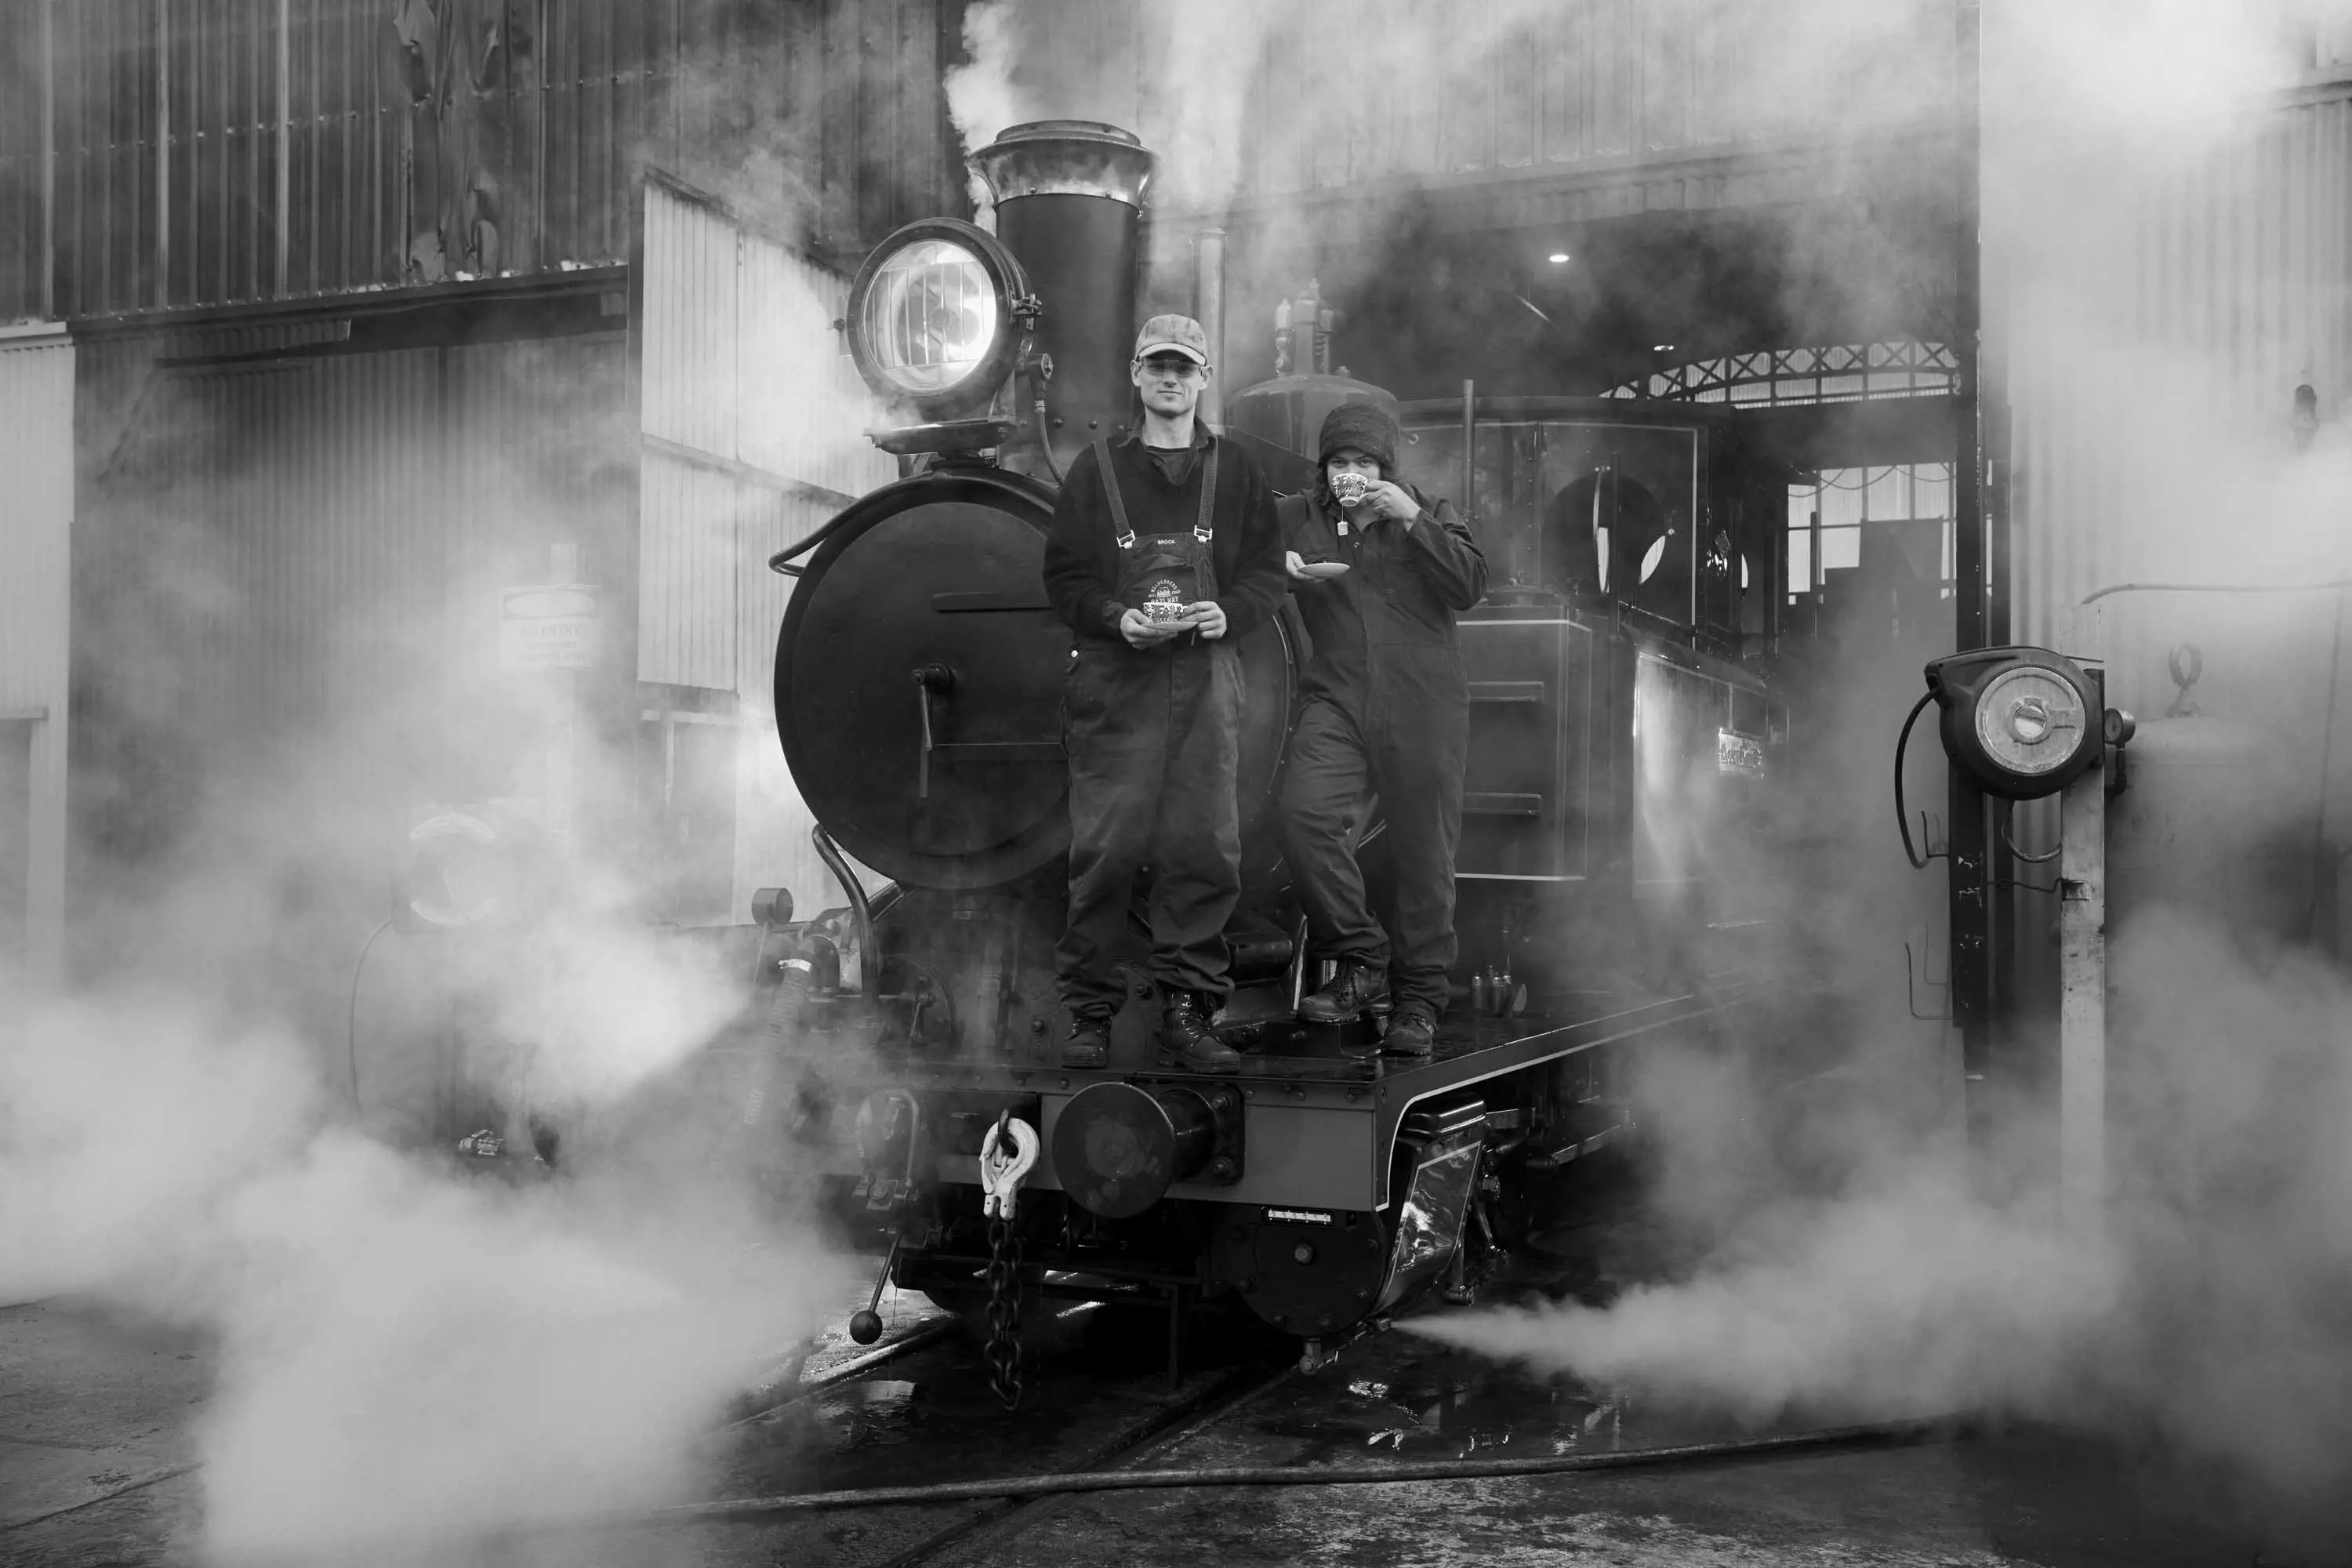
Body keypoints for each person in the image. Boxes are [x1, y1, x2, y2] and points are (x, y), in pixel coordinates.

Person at [1041, 314, 1287, 1070]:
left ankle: (1190, 1011)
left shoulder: (1238, 472)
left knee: (1204, 849)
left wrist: (1230, 612)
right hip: (1119, 687)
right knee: (1105, 853)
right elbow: (1064, 579)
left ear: (1204, 378)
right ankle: (1088, 1013)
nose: (1171, 379)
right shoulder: (1096, 470)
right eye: (1158, 367)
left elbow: (1267, 577)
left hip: (1208, 684)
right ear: (1137, 377)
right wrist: (1116, 618)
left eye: (1185, 367)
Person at [1279, 402, 1487, 1057]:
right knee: (1301, 815)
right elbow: (1235, 567)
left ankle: (1419, 1003)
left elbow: (1470, 586)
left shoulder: (1431, 512)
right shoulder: (1299, 517)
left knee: (1426, 856)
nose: (1351, 474)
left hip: (1424, 706)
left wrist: (1413, 518)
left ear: (1386, 468)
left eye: (1364, 463)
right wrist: (1270, 570)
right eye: (1340, 463)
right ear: (1324, 469)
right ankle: (1362, 957)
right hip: (1336, 698)